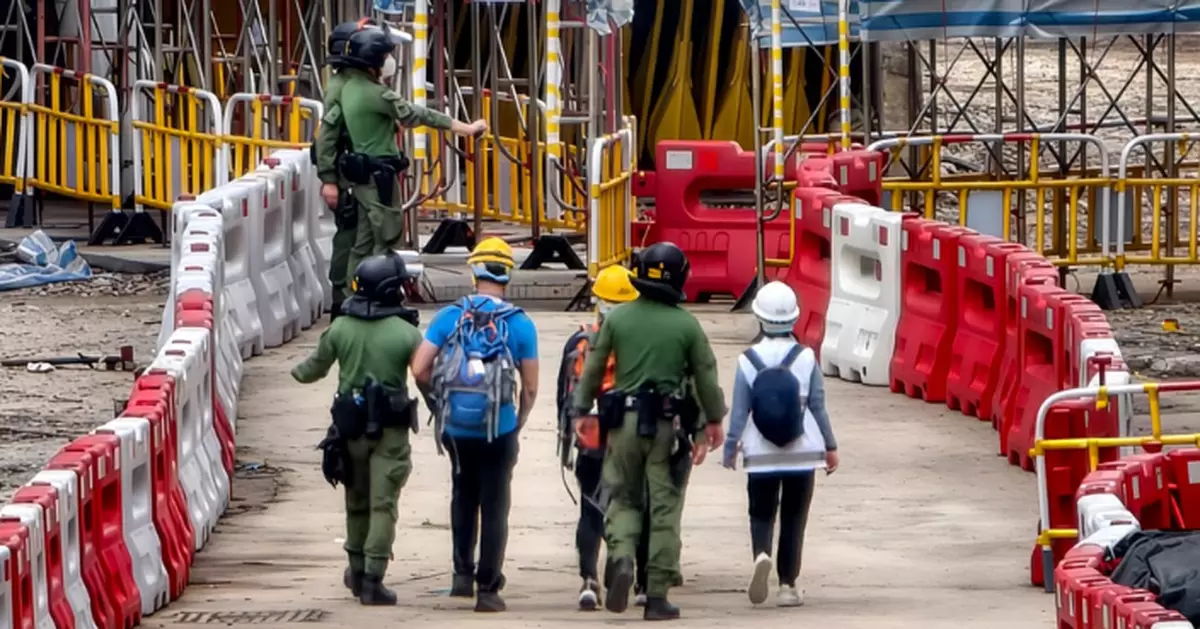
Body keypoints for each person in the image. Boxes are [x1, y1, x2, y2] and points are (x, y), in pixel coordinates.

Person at [571, 242, 728, 620]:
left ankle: (621, 556)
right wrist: (712, 421)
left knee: (623, 497)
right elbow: (706, 376)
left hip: (621, 424)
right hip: (667, 428)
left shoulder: (618, 320)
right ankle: (656, 594)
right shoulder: (687, 326)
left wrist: (579, 409)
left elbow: (593, 368)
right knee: (664, 508)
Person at [411, 237, 539, 613]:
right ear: (508, 274)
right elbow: (530, 387)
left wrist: (438, 402)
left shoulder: (450, 316)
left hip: (456, 428)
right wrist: (517, 421)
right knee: (496, 503)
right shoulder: (519, 324)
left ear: (474, 270)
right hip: (498, 428)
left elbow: (419, 368)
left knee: (462, 494)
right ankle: (488, 590)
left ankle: (461, 576)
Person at [290, 251, 424, 606]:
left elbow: (309, 371)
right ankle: (374, 580)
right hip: (391, 434)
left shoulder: (340, 329)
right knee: (384, 505)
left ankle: (357, 570)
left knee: (356, 502)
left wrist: (296, 368)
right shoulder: (407, 334)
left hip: (349, 431)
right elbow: (427, 376)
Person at [318, 23, 488, 286]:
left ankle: (353, 295)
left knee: (362, 240)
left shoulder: (348, 87)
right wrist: (466, 128)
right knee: (381, 236)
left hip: (361, 175)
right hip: (376, 175)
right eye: (385, 57)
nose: (389, 62)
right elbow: (419, 114)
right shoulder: (376, 94)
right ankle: (369, 294)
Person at [722, 281, 839, 608]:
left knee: (760, 512)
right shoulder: (806, 357)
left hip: (760, 454)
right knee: (794, 517)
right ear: (794, 318)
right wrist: (830, 445)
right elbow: (817, 405)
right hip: (803, 454)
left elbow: (741, 410)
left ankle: (762, 554)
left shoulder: (748, 360)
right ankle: (788, 585)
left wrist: (731, 448)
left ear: (759, 317)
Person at [555, 265, 648, 611]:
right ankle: (639, 581)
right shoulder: (640, 340)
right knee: (634, 505)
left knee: (590, 509)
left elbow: (565, 396)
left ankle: (588, 581)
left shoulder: (580, 340)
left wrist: (566, 440)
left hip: (590, 436)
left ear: (598, 302)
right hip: (630, 435)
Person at [313, 18, 380, 319]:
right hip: (350, 176)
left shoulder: (357, 82)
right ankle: (343, 295)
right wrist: (329, 179)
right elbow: (327, 136)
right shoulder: (343, 87)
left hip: (363, 174)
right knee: (350, 237)